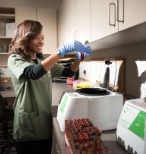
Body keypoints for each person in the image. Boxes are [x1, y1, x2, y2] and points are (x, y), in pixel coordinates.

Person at [7, 20, 92, 154]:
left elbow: (68, 72)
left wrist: (78, 59)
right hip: (27, 126)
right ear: (25, 37)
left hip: (44, 124)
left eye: (43, 38)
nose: (41, 41)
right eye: (36, 37)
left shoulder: (42, 62)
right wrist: (59, 51)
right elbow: (32, 73)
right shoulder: (15, 59)